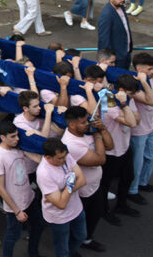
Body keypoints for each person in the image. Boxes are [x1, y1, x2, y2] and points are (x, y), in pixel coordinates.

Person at [62, 106, 113, 253]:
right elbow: (100, 159)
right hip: (82, 192)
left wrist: (102, 129)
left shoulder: (86, 132)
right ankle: (72, 248)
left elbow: (110, 146)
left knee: (95, 214)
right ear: (72, 124)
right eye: (84, 122)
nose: (88, 124)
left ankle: (87, 239)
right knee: (77, 224)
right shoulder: (71, 144)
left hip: (95, 186)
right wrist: (97, 135)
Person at [0, 121, 44, 257]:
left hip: (29, 197)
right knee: (13, 235)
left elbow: (39, 159)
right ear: (3, 137)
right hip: (15, 204)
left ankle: (33, 254)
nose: (17, 139)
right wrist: (17, 211)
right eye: (13, 136)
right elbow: (0, 188)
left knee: (38, 227)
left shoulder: (18, 147)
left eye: (17, 135)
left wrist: (36, 135)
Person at [100, 75, 141, 224]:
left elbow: (137, 118)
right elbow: (132, 122)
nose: (132, 97)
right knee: (105, 183)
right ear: (122, 90)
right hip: (111, 150)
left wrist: (127, 105)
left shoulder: (128, 99)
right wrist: (124, 105)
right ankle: (103, 210)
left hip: (124, 146)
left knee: (128, 176)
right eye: (130, 93)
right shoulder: (110, 102)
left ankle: (122, 205)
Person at [37, 138, 87, 257]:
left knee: (81, 236)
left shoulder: (65, 155)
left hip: (76, 208)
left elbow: (83, 180)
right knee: (61, 248)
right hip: (59, 217)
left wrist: (65, 190)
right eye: (59, 158)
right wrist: (71, 182)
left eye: (65, 156)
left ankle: (72, 252)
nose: (64, 160)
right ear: (48, 157)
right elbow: (61, 204)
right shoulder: (44, 173)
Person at [128, 53, 153, 200]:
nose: (152, 72)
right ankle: (133, 190)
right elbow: (150, 100)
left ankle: (143, 182)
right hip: (139, 130)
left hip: (151, 125)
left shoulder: (149, 80)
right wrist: (145, 82)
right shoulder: (134, 85)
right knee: (137, 162)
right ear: (139, 69)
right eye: (150, 69)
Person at [97, 0, 133, 69]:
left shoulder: (121, 7)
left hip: (126, 54)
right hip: (116, 59)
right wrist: (108, 60)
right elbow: (103, 40)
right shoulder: (106, 15)